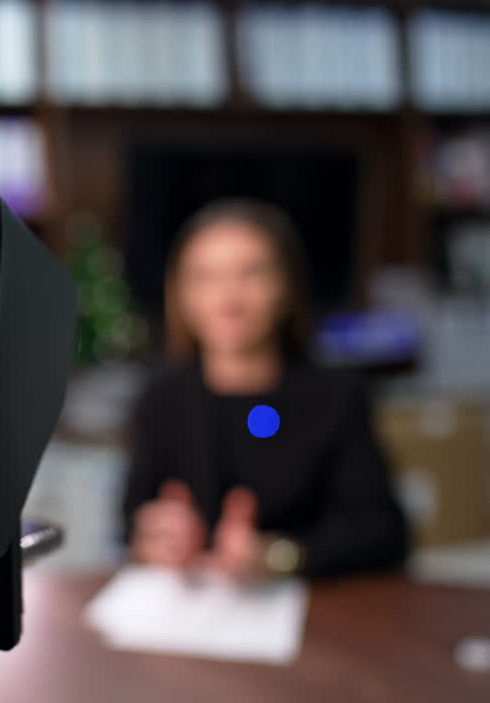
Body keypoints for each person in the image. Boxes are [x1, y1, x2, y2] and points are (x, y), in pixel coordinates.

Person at [123, 199, 409, 579]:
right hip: (190, 607)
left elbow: (383, 533)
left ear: (288, 285)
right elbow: (131, 519)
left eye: (252, 273)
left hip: (311, 610)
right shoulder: (161, 399)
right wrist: (154, 537)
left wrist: (278, 554)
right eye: (205, 276)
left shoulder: (337, 397)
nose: (228, 298)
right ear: (180, 292)